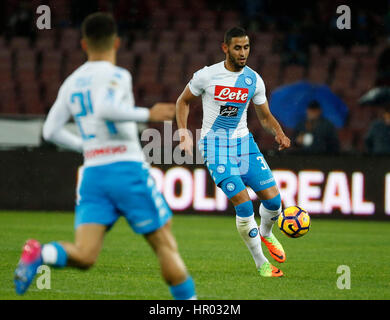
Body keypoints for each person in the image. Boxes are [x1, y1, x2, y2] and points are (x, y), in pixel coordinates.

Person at [14, 12, 196, 300]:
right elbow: (105, 108)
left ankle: (41, 253)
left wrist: (85, 147)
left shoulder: (72, 82)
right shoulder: (117, 75)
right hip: (126, 168)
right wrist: (146, 114)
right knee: (164, 242)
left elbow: (50, 130)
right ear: (117, 43)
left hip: (93, 175)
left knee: (86, 256)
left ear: (84, 45)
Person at [176, 27, 291, 277]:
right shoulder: (206, 76)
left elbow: (265, 116)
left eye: (246, 47)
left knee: (274, 202)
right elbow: (182, 101)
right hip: (214, 146)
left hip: (244, 144)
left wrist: (279, 133)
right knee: (243, 203)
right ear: (225, 48)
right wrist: (183, 132)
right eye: (237, 48)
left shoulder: (253, 80)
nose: (243, 53)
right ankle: (262, 263)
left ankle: (266, 234)